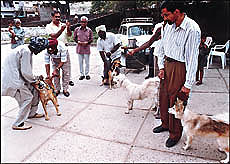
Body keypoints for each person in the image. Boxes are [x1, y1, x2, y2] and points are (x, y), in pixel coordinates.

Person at [152, 0, 201, 148]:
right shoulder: (167, 26)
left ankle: (175, 134)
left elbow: (192, 58)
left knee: (177, 101)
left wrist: (187, 85)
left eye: (166, 15)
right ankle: (165, 124)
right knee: (164, 97)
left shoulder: (192, 29)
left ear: (177, 12)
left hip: (180, 67)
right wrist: (161, 66)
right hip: (167, 65)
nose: (164, 18)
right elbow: (162, 47)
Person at [1, 37, 49, 130]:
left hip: (15, 77)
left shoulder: (25, 48)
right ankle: (18, 123)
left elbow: (25, 71)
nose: (40, 51)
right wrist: (35, 79)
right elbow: (26, 72)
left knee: (34, 90)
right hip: (13, 81)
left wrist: (34, 79)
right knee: (27, 98)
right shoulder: (26, 52)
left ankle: (31, 113)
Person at [128, 21, 165, 119]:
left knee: (163, 86)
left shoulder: (170, 30)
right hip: (158, 56)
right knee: (158, 85)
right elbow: (149, 42)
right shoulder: (159, 27)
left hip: (166, 59)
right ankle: (158, 106)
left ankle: (161, 109)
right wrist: (135, 50)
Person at [45, 10, 74, 86]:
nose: (58, 18)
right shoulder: (49, 26)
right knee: (56, 69)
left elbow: (69, 35)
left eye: (59, 17)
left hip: (64, 49)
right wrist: (61, 30)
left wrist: (68, 28)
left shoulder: (63, 24)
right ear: (52, 17)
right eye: (56, 17)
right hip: (54, 50)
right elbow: (53, 36)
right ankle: (57, 87)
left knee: (66, 69)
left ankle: (67, 83)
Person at [74, 16, 93, 80]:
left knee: (87, 62)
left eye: (84, 22)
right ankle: (82, 74)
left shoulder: (89, 30)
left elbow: (91, 39)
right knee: (80, 62)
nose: (83, 23)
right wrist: (78, 42)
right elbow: (74, 38)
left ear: (86, 22)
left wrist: (87, 43)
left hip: (86, 48)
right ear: (80, 22)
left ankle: (87, 74)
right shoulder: (77, 29)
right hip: (79, 48)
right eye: (82, 22)